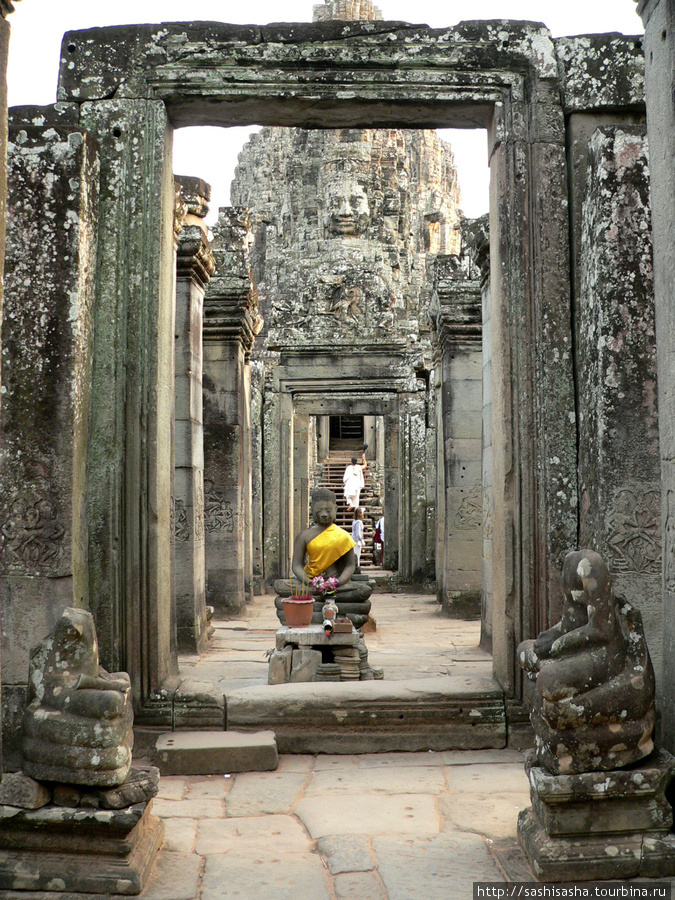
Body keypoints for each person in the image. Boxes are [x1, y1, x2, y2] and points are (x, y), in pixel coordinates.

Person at [274, 488, 371, 602]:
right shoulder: (305, 536)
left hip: (337, 584)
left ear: (336, 509)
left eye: (328, 510)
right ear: (312, 510)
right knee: (280, 585)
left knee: (364, 590)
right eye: (319, 510)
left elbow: (350, 566)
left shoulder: (343, 536)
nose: (324, 514)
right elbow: (296, 565)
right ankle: (321, 595)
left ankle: (315, 598)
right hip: (311, 583)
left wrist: (339, 581)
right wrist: (308, 581)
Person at [351, 507, 366, 573]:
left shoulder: (354, 521)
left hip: (354, 539)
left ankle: (356, 567)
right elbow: (358, 533)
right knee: (357, 555)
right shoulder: (359, 523)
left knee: (356, 554)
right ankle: (357, 568)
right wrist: (361, 540)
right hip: (356, 540)